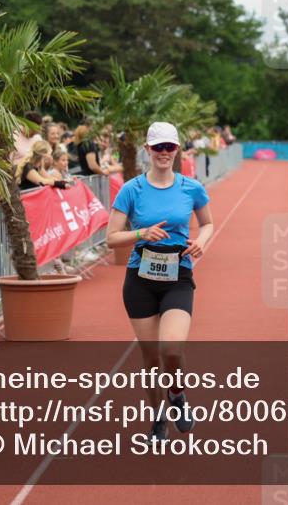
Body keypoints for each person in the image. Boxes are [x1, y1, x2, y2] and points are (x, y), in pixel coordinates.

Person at [105, 121, 213, 442]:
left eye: (170, 147)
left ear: (177, 150)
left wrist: (201, 241)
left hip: (178, 275)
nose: (164, 153)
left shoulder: (191, 188)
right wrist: (141, 233)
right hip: (140, 279)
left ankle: (177, 395)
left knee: (172, 348)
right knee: (151, 357)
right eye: (158, 147)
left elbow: (207, 224)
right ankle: (157, 419)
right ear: (147, 151)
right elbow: (111, 238)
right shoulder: (131, 190)